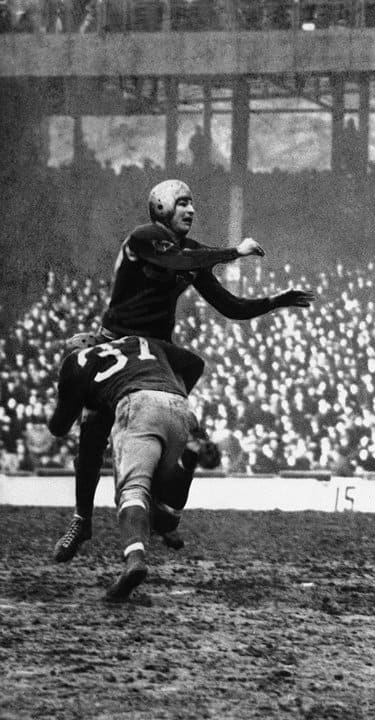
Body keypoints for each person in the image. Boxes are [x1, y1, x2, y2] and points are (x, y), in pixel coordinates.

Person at [52, 179, 316, 563]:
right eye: (181, 204)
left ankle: (158, 501)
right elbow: (176, 262)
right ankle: (82, 520)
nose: (190, 210)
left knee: (186, 385)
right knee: (92, 432)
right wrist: (233, 252)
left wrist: (276, 301)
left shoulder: (191, 253)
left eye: (192, 203)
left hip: (157, 353)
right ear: (160, 208)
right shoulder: (144, 238)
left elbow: (230, 306)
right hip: (118, 342)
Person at [47, 334, 218, 602]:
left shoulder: (78, 360)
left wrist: (79, 399)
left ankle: (134, 559)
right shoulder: (142, 342)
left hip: (137, 405)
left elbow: (58, 427)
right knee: (162, 501)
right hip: (178, 404)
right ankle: (187, 461)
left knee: (132, 490)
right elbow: (195, 363)